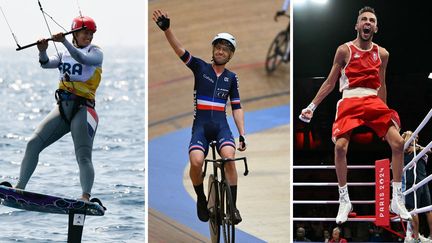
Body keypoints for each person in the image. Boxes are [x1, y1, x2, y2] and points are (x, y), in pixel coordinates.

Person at [298, 6, 412, 224]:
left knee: (398, 144)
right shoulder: (344, 50)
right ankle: (344, 200)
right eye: (363, 20)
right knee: (340, 147)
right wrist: (312, 106)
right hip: (350, 99)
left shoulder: (383, 54)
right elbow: (331, 82)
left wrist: (384, 112)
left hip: (373, 101)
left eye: (371, 20)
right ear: (357, 25)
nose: (367, 23)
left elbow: (382, 83)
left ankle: (396, 199)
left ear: (376, 27)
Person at [152, 9, 247, 223]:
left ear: (230, 55)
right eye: (218, 48)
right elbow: (179, 50)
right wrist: (167, 30)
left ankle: (233, 208)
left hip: (222, 127)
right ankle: (202, 199)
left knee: (230, 160)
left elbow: (237, 107)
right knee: (196, 163)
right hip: (201, 129)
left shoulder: (232, 78)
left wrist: (242, 134)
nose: (221, 52)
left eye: (225, 50)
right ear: (213, 50)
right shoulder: (200, 67)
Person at [15, 16, 102, 202]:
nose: (89, 36)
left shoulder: (96, 52)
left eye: (91, 33)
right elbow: (46, 64)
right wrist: (43, 51)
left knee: (83, 157)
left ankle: (85, 196)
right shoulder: (63, 54)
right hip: (62, 109)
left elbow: (82, 58)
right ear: (75, 34)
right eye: (85, 33)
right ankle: (19, 188)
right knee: (33, 144)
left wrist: (63, 41)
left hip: (84, 110)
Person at [402, 131, 432, 242]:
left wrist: (413, 145)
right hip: (423, 182)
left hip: (413, 182)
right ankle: (425, 236)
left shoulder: (413, 149)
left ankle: (416, 237)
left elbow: (428, 149)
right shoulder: (419, 150)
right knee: (427, 210)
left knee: (413, 210)